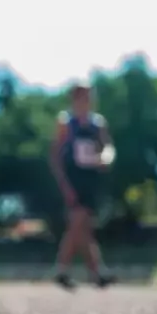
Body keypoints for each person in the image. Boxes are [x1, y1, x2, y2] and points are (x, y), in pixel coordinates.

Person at [50, 84, 116, 290]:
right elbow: (55, 156)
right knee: (78, 221)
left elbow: (108, 147)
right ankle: (62, 268)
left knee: (83, 227)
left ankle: (97, 272)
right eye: (82, 97)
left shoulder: (98, 123)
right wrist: (64, 184)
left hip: (91, 179)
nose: (86, 101)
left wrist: (105, 158)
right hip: (73, 178)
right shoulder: (66, 122)